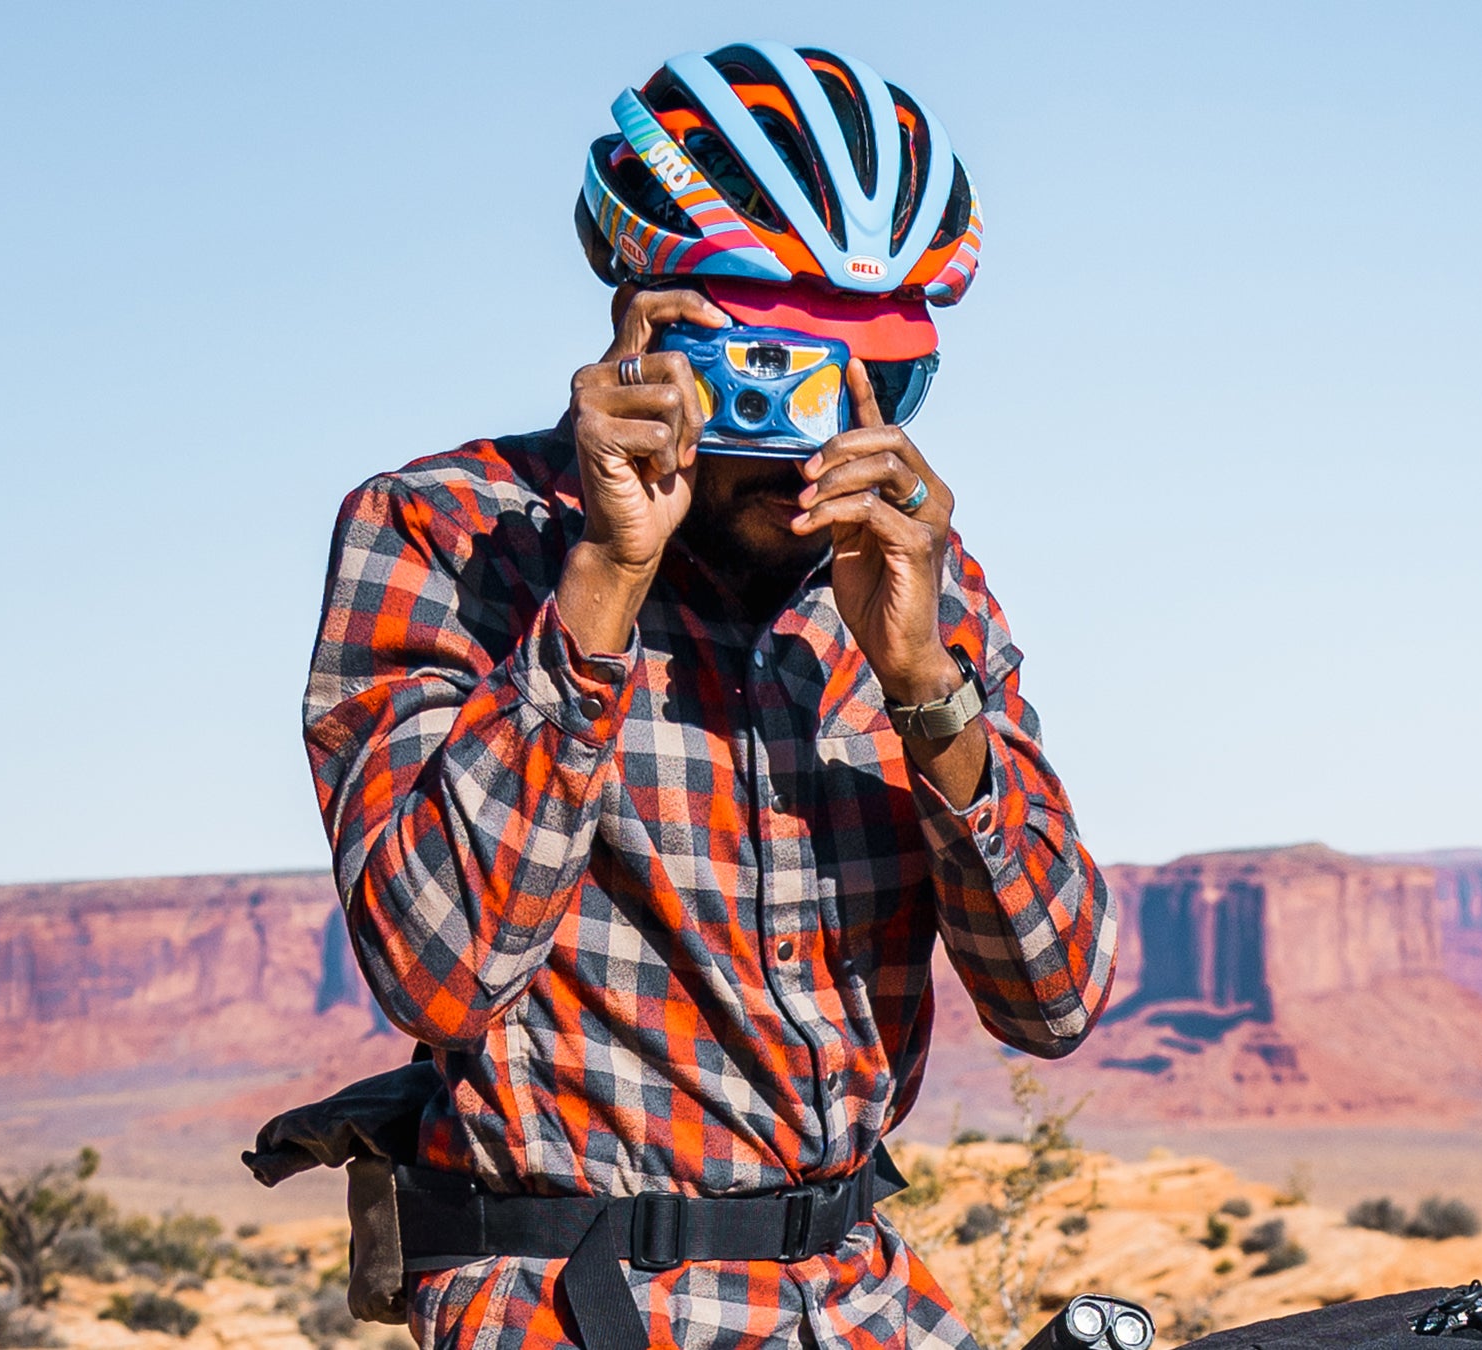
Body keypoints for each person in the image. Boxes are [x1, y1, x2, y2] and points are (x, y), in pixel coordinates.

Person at [302, 43, 1116, 1350]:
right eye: (764, 375)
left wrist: (924, 683)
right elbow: (434, 972)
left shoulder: (916, 575)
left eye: (874, 381)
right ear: (648, 335)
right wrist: (602, 587)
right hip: (574, 1303)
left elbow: (1055, 998)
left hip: (859, 1294)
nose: (812, 443)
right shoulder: (446, 535)